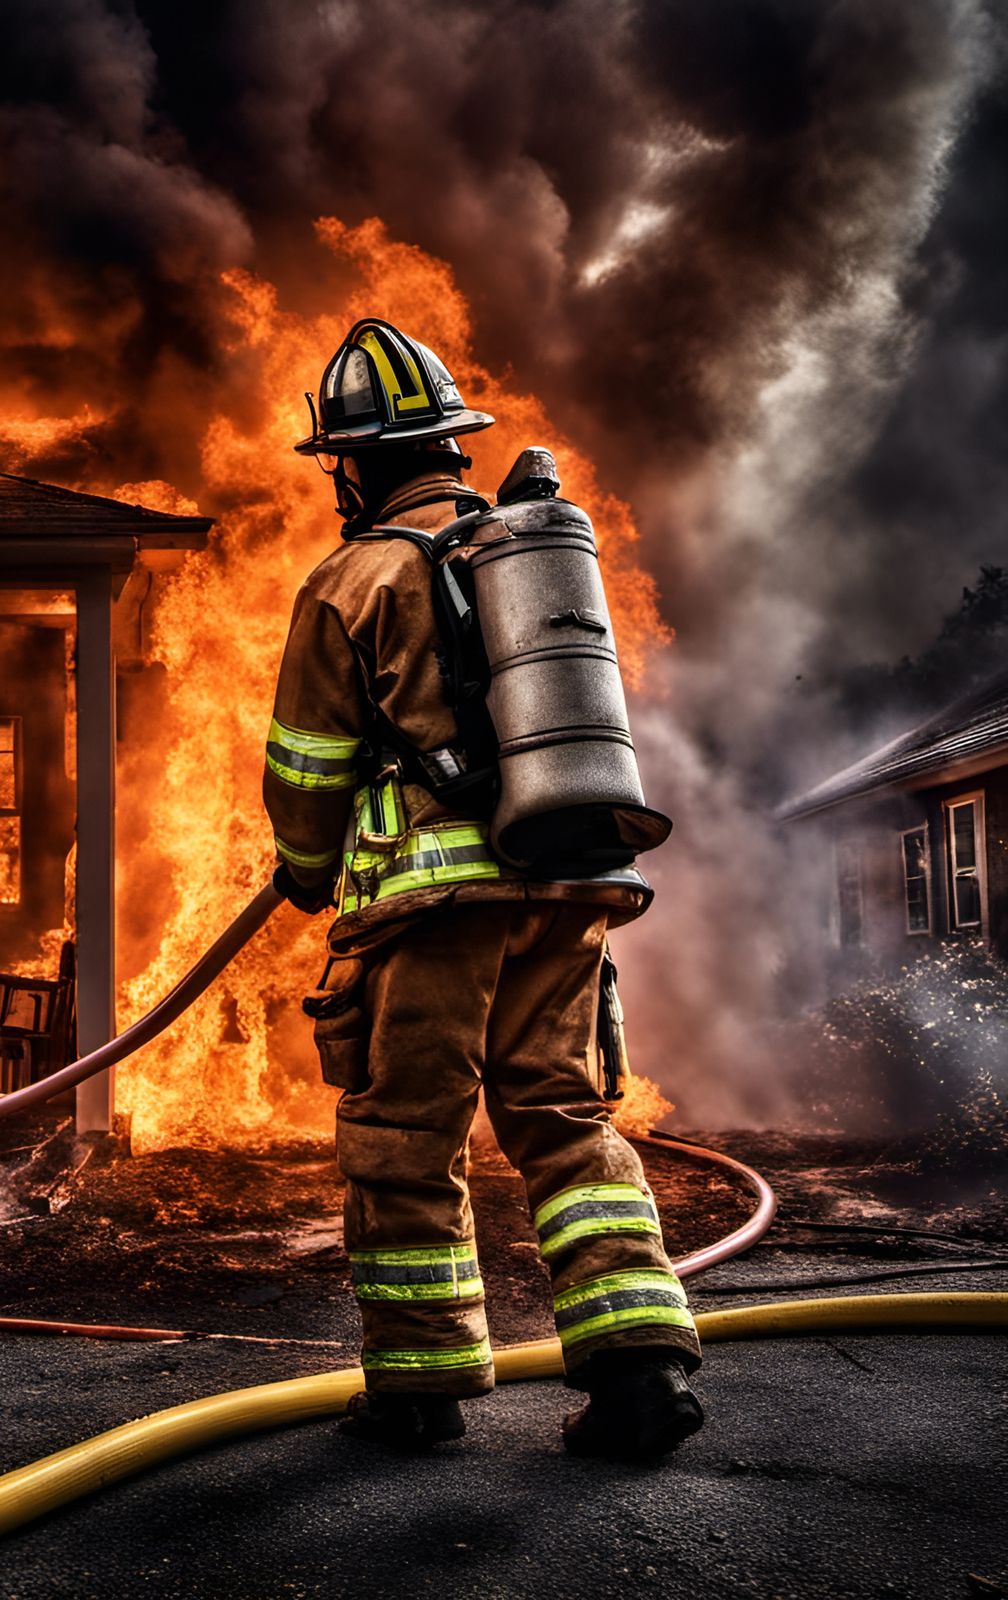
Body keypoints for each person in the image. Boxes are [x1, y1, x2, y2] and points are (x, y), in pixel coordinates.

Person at [264, 318, 703, 1457]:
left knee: (409, 1137)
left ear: (354, 464)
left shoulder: (350, 579)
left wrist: (308, 873)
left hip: (430, 915)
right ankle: (640, 1372)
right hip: (568, 887)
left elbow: (307, 762)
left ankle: (419, 1391)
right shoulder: (532, 556)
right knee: (565, 1124)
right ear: (452, 448)